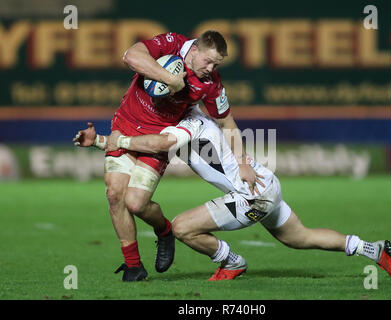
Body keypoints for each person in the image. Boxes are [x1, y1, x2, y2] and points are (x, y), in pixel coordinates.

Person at [74, 106, 391, 281]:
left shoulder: (188, 124)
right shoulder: (184, 122)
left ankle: (231, 262)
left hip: (252, 195)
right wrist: (102, 141)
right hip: (265, 184)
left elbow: (158, 145)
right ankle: (374, 249)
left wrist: (110, 141)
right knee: (299, 237)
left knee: (182, 226)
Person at [75, 30, 260, 282]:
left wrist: (242, 162)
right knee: (114, 193)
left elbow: (227, 121)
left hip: (157, 140)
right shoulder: (172, 44)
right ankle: (133, 266)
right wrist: (170, 79)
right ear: (194, 50)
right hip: (125, 124)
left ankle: (164, 230)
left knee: (136, 203)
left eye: (216, 64)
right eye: (208, 61)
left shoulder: (210, 83)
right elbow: (130, 56)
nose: (211, 68)